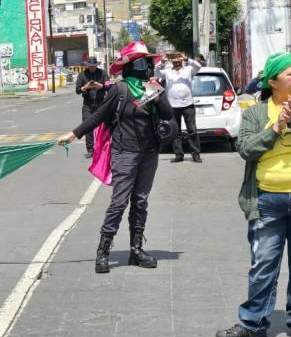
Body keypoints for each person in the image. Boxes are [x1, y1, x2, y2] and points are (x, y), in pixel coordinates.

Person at [58, 41, 173, 274]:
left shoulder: (152, 87)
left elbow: (168, 114)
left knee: (140, 200)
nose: (149, 66)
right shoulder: (119, 90)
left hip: (149, 152)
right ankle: (103, 251)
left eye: (149, 62)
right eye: (144, 62)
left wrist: (159, 96)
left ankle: (136, 250)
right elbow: (98, 115)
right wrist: (74, 134)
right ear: (131, 66)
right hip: (125, 152)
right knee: (119, 202)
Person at [216, 52, 291, 337]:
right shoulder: (255, 111)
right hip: (266, 200)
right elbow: (246, 149)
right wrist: (276, 127)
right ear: (274, 81)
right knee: (263, 265)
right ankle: (253, 323)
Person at [157, 52, 203, 163]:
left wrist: (187, 58)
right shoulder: (167, 72)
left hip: (188, 104)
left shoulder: (188, 70)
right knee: (175, 131)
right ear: (172, 61)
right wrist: (161, 62)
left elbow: (198, 66)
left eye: (179, 60)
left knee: (192, 130)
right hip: (172, 105)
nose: (177, 62)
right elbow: (156, 73)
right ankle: (178, 154)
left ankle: (196, 154)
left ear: (182, 61)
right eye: (174, 60)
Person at [75, 57, 107, 159]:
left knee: (103, 126)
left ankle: (102, 148)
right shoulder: (82, 75)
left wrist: (101, 86)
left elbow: (109, 86)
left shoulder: (103, 73)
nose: (92, 68)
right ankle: (90, 150)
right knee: (87, 126)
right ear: (87, 66)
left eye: (94, 66)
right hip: (88, 104)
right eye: (90, 66)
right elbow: (77, 90)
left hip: (101, 103)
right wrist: (86, 87)